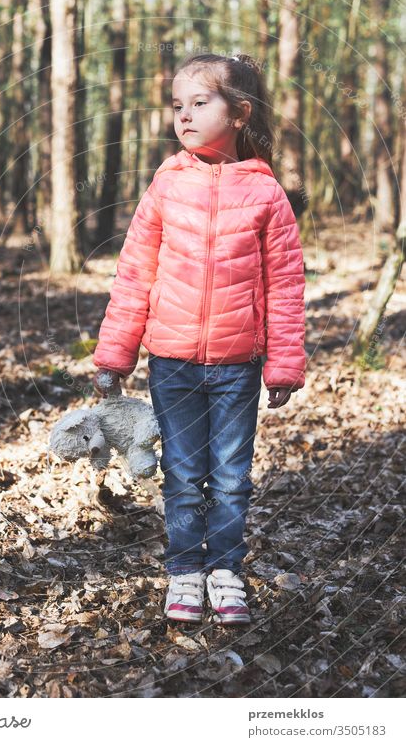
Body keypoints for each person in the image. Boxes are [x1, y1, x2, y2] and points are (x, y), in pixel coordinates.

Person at [91, 52, 306, 625]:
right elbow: (135, 272)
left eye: (199, 103)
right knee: (184, 473)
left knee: (233, 475)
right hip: (172, 361)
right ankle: (185, 569)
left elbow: (285, 284)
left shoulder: (266, 194)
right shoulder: (166, 185)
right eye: (177, 106)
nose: (183, 116)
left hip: (238, 363)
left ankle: (226, 570)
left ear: (238, 113)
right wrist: (116, 353)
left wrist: (283, 364)